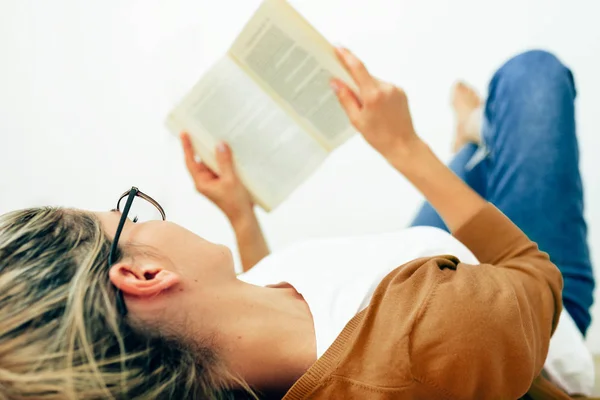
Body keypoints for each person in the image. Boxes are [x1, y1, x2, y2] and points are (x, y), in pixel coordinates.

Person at [0, 48, 592, 400]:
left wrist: (240, 214)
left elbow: (267, 289)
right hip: (532, 309)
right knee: (528, 77)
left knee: (468, 173)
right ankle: (465, 143)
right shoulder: (426, 335)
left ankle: (466, 151)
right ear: (146, 272)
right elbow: (530, 271)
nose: (156, 215)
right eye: (128, 212)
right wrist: (404, 148)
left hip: (425, 267)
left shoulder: (223, 366)